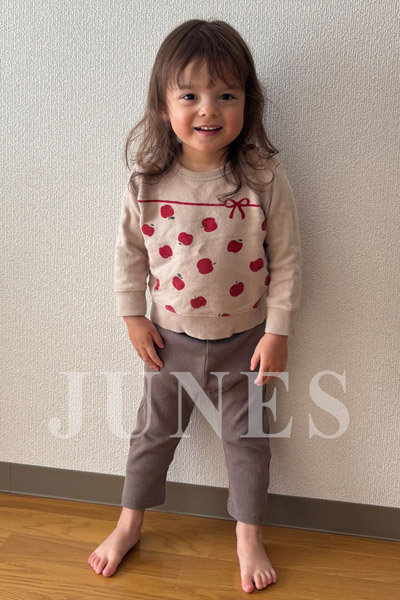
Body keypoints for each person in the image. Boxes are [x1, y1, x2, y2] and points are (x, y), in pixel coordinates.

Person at [88, 19, 302, 594]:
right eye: (190, 96)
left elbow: (287, 260)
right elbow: (129, 255)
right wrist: (133, 317)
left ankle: (249, 535)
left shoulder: (262, 177)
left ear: (247, 103)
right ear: (163, 104)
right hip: (170, 342)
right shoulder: (147, 180)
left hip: (247, 343)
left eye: (226, 95)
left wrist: (278, 331)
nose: (209, 110)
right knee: (151, 436)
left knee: (249, 443)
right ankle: (129, 524)